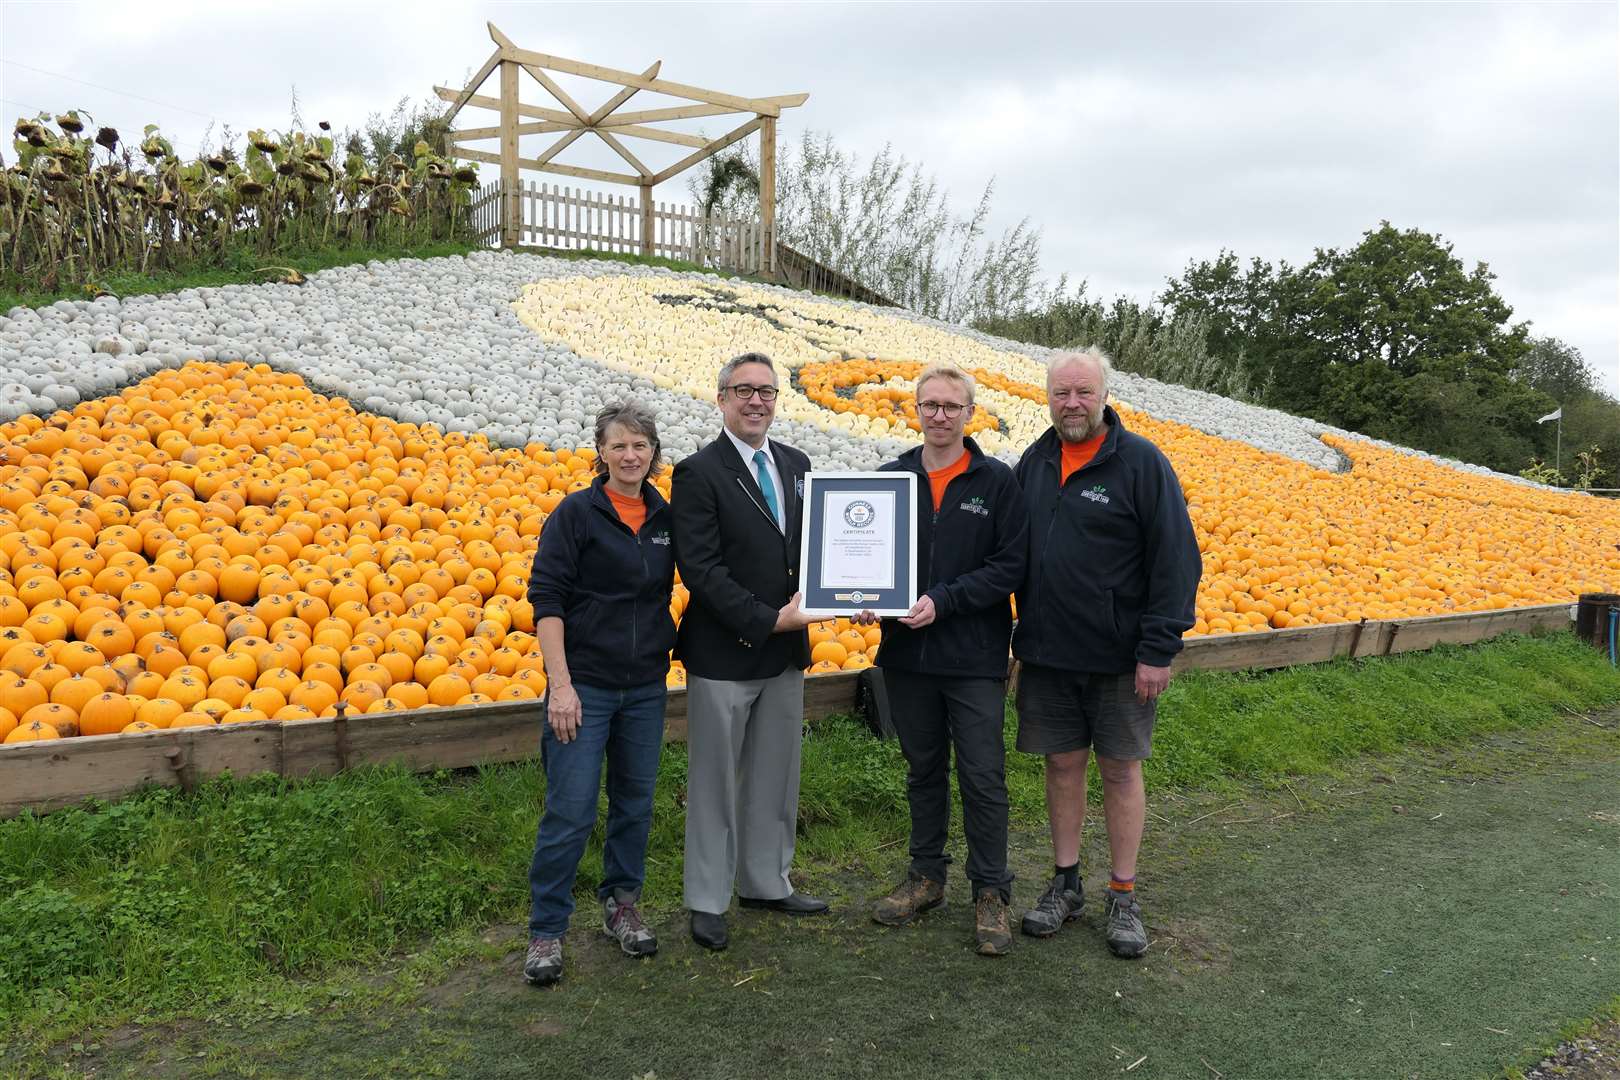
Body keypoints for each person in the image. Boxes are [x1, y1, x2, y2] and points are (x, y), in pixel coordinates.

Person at [1012, 347, 1201, 959]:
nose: (1071, 404)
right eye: (1061, 393)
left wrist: (1158, 648)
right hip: (1047, 654)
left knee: (1120, 769)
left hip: (1122, 659)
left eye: (1083, 393)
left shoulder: (1140, 462)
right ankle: (1066, 884)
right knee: (1061, 766)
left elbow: (1175, 560)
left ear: (1103, 396)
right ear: (1048, 396)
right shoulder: (1034, 462)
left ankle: (1123, 892)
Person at [871, 363, 1028, 956]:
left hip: (974, 657)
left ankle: (991, 891)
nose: (939, 415)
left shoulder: (997, 482)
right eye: (929, 405)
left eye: (951, 406)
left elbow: (1011, 566)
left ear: (970, 414)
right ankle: (926, 877)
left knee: (983, 776)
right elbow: (871, 563)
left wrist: (946, 599)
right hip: (908, 657)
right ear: (915, 409)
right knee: (922, 770)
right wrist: (865, 600)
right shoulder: (891, 479)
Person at [671, 351, 825, 952]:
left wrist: (857, 589)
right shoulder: (698, 473)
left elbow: (814, 552)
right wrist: (768, 620)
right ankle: (708, 899)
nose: (756, 401)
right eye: (744, 391)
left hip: (785, 654)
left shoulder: (796, 464)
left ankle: (766, 881)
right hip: (726, 652)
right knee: (714, 781)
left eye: (766, 391)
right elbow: (701, 570)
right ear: (722, 399)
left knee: (775, 775)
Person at [522, 401, 678, 987]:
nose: (631, 455)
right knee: (571, 809)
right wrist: (560, 686)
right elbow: (548, 600)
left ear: (653, 454)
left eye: (640, 445)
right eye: (619, 446)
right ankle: (547, 929)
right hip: (582, 688)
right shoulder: (577, 514)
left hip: (644, 687)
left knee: (635, 804)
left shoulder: (666, 518)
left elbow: (710, 575)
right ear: (602, 452)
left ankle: (621, 905)